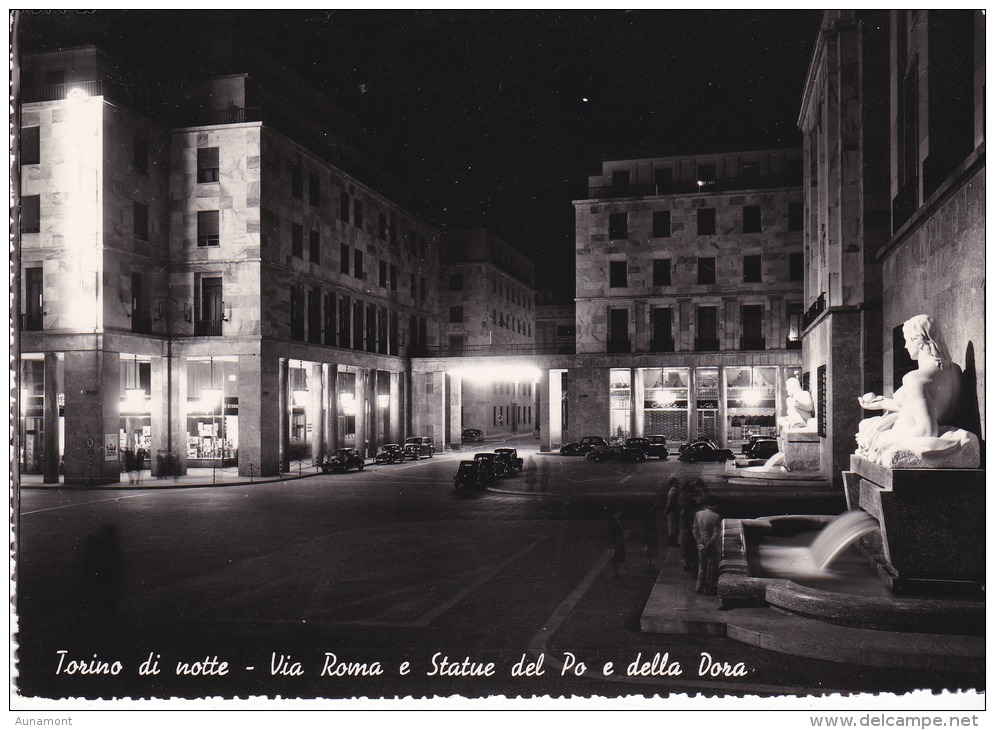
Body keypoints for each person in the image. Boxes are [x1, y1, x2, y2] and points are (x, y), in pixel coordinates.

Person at [856, 315, 965, 464]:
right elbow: (923, 405)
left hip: (907, 430)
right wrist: (881, 403)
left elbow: (927, 430)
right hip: (921, 423)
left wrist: (883, 439)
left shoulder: (914, 378)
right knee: (868, 425)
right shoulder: (955, 369)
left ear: (918, 340)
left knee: (867, 428)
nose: (906, 346)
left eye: (907, 340)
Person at [693, 502, 722, 595]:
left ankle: (699, 586)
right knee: (711, 568)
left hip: (701, 545)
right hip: (712, 546)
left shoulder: (698, 514)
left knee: (701, 567)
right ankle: (708, 588)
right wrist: (708, 545)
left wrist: (699, 543)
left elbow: (695, 530)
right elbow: (716, 534)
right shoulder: (716, 516)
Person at [607, 508, 626, 578]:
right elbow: (611, 533)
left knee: (616, 557)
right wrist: (612, 543)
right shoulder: (612, 521)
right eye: (619, 512)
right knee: (614, 557)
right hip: (615, 542)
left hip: (617, 541)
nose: (620, 514)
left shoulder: (615, 520)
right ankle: (614, 573)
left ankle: (615, 572)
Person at [664, 477, 680, 547]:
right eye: (676, 482)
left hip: (673, 511)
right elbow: (670, 503)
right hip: (672, 511)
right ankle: (673, 542)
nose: (677, 483)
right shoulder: (672, 492)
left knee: (673, 527)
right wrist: (666, 510)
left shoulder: (674, 491)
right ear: (673, 483)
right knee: (672, 527)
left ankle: (673, 542)